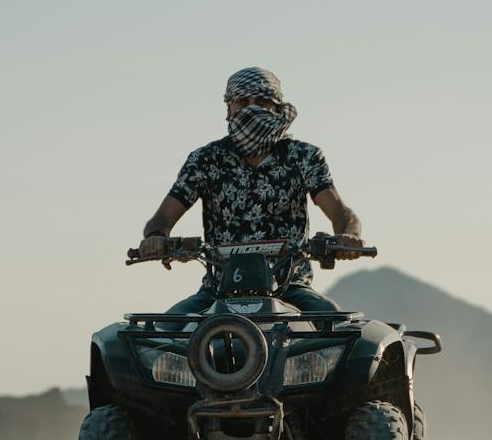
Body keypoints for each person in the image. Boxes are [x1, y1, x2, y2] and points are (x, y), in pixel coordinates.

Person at [136, 66, 367, 321]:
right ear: (228, 110)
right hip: (218, 289)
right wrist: (155, 237)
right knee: (161, 335)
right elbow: (162, 218)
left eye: (261, 101)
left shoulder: (303, 156)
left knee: (337, 328)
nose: (251, 109)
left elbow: (338, 210)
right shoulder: (204, 160)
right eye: (242, 102)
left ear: (277, 108)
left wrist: (348, 236)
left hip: (289, 287)